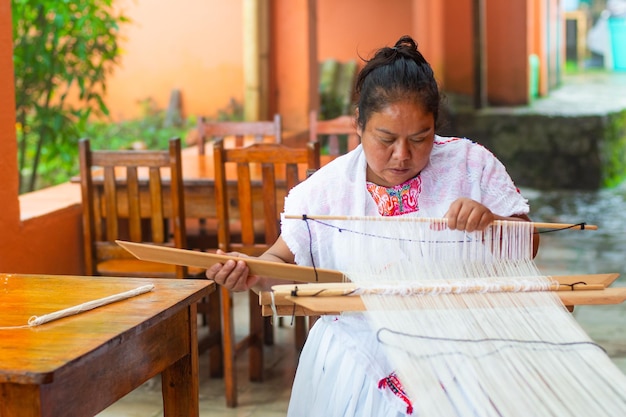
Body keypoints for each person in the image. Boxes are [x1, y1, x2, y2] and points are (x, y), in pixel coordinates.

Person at [206, 35, 539, 416]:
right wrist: (249, 271)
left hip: (464, 358)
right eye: (386, 139)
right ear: (359, 126)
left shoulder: (470, 165)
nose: (403, 155)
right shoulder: (324, 192)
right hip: (356, 361)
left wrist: (493, 223)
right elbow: (281, 262)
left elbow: (527, 245)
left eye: (420, 138)